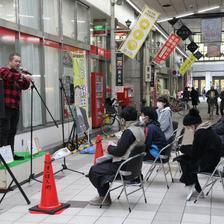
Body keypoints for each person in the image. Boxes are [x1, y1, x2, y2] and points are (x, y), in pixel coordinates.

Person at [88, 106, 145, 206]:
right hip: (134, 167)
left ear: (123, 119)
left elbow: (119, 152)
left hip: (123, 166)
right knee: (103, 166)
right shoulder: (140, 129)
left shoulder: (128, 132)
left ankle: (104, 197)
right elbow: (128, 147)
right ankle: (104, 195)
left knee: (94, 170)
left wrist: (109, 147)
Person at [175, 109, 221, 196]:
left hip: (208, 164)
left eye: (188, 127)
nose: (188, 129)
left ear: (193, 125)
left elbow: (195, 153)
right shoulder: (206, 129)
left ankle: (191, 184)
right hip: (213, 161)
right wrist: (186, 148)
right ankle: (196, 186)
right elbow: (198, 149)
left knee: (183, 159)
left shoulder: (200, 133)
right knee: (185, 158)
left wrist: (183, 148)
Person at [0, 53, 32, 160]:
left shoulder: (18, 74)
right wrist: (22, 75)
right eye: (16, 61)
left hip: (15, 107)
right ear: (10, 61)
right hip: (5, 108)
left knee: (12, 131)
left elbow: (24, 86)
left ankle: (11, 154)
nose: (18, 63)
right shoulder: (3, 70)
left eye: (19, 61)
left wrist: (26, 76)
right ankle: (3, 157)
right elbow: (9, 76)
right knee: (4, 131)